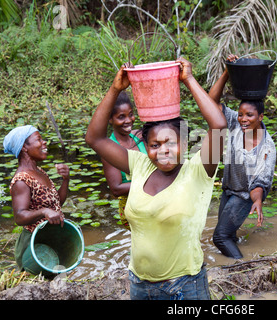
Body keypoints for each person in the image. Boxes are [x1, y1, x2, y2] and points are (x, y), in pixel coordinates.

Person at [85, 57, 227, 300]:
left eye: (171, 142)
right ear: (146, 146)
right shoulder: (139, 165)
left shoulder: (198, 170)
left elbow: (219, 125)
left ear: (183, 143)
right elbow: (95, 138)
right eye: (155, 144)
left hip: (184, 285)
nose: (163, 150)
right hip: (140, 285)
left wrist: (189, 79)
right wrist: (115, 89)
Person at [208, 54, 277, 259]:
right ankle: (235, 258)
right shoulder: (235, 125)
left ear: (261, 117)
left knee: (220, 237)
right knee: (230, 235)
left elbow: (260, 182)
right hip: (228, 191)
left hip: (245, 196)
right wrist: (228, 72)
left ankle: (240, 268)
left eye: (249, 115)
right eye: (241, 114)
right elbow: (211, 102)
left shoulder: (267, 148)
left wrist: (257, 201)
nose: (243, 119)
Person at [3, 125, 70, 272]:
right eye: (38, 139)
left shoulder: (39, 172)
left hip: (48, 240)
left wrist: (65, 179)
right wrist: (44, 211)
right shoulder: (21, 180)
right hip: (33, 247)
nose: (44, 142)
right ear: (24, 148)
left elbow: (57, 203)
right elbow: (20, 217)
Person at [102, 91, 147, 229]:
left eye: (131, 114)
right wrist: (151, 182)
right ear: (110, 119)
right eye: (121, 117)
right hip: (133, 206)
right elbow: (116, 189)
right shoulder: (109, 148)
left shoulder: (139, 136)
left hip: (152, 199)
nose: (128, 120)